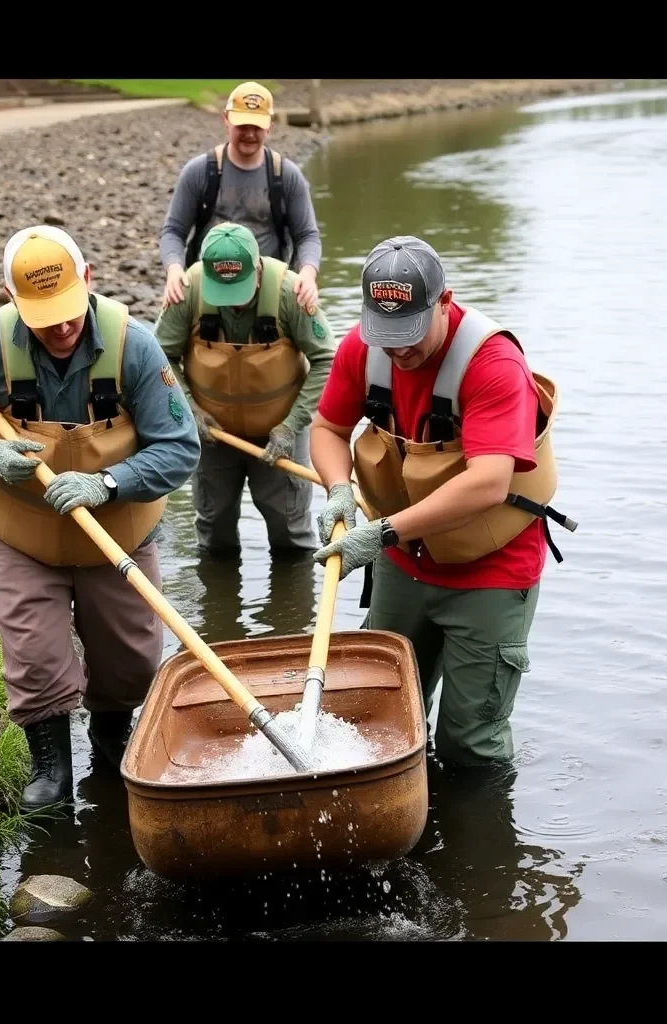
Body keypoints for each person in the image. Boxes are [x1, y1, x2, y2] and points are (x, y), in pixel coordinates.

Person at [0, 224, 201, 812]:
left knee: (132, 659)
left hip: (117, 529)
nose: (62, 327)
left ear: (88, 280)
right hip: (23, 532)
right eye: (44, 317)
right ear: (12, 301)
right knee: (34, 651)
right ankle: (49, 766)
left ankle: (111, 738)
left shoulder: (133, 344)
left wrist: (108, 481)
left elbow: (179, 447)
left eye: (69, 310)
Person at [309, 235, 577, 768]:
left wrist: (383, 531)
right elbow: (328, 429)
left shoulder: (493, 364)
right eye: (385, 334)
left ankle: (479, 847)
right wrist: (339, 487)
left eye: (408, 332)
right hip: (404, 564)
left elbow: (489, 483)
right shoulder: (363, 351)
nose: (397, 349)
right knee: (379, 719)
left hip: (490, 570)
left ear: (444, 301)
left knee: (470, 744)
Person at [153, 221, 337, 554]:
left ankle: (292, 602)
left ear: (257, 268)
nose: (233, 303)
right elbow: (160, 358)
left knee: (290, 534)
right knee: (214, 530)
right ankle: (217, 597)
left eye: (240, 288)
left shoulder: (290, 292)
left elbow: (327, 360)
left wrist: (292, 425)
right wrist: (189, 410)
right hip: (213, 435)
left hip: (279, 433)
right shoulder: (186, 291)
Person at [158, 81, 323, 315]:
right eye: (242, 125)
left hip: (267, 291)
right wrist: (174, 270)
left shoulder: (286, 175)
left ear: (270, 127)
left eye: (257, 126)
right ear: (226, 119)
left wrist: (307, 273)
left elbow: (307, 235)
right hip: (209, 288)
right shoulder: (199, 171)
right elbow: (173, 231)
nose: (249, 133)